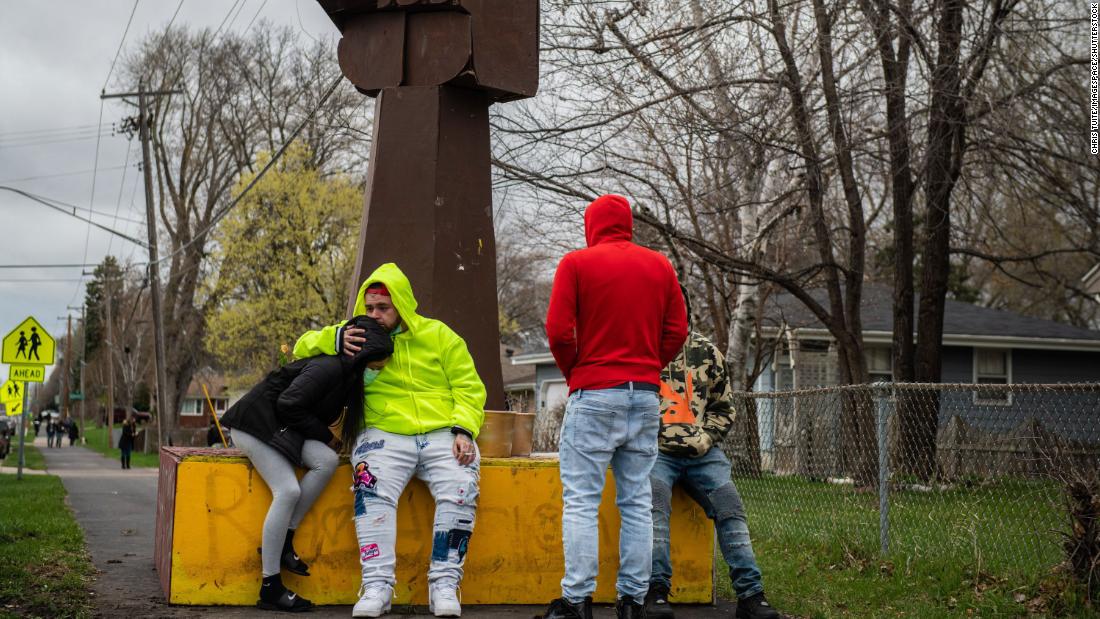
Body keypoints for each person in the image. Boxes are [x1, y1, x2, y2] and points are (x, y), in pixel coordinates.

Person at [293, 263, 486, 619]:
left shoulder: (439, 335)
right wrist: (336, 339)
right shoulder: (356, 335)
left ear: (401, 304)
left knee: (462, 484)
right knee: (371, 487)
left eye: (383, 307)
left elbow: (468, 386)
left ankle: (444, 583)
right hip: (382, 433)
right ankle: (377, 586)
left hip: (441, 432)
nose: (375, 315)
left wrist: (463, 429)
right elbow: (301, 349)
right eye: (369, 308)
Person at [541, 194, 688, 619]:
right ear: (628, 224)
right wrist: (647, 367)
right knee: (637, 501)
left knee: (582, 501)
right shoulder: (659, 265)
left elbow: (558, 330)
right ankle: (632, 603)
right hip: (643, 396)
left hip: (594, 393)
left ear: (592, 225)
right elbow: (677, 329)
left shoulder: (577, 263)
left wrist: (577, 372)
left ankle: (576, 602)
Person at [221, 315, 394, 613]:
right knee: (287, 490)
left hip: (282, 427)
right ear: (361, 359)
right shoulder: (327, 368)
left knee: (326, 461)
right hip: (253, 424)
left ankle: (285, 540)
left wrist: (329, 441)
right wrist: (325, 436)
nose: (377, 373)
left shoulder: (346, 378)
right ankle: (270, 587)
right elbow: (288, 404)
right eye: (375, 367)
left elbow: (299, 415)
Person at [644, 328, 780, 619]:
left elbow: (723, 406)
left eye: (677, 304)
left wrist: (706, 438)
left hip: (702, 454)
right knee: (654, 505)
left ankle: (751, 596)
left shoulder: (706, 350)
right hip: (654, 452)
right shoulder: (639, 344)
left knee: (730, 506)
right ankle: (655, 593)